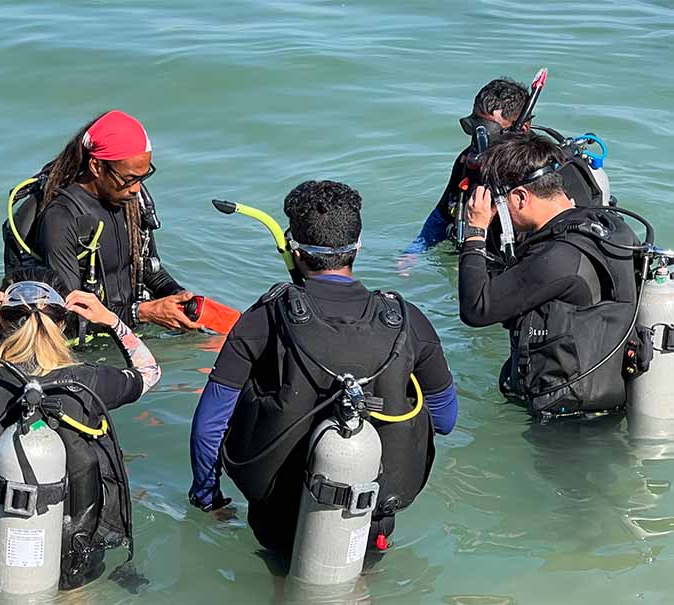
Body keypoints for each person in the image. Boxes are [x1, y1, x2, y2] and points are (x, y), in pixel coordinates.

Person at [188, 180, 458, 558]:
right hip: (370, 518)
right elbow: (445, 420)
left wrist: (207, 497)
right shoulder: (408, 321)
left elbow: (209, 426)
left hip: (277, 515)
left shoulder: (263, 319)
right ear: (358, 246)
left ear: (294, 251)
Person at [0, 266, 160, 589]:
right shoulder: (90, 381)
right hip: (75, 546)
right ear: (64, 323)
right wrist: (111, 320)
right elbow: (148, 371)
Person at [458, 133, 638, 418]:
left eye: (500, 204)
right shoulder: (609, 228)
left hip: (567, 418)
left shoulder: (556, 258)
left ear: (519, 197)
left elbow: (476, 309)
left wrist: (475, 232)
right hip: (605, 399)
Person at [10, 109, 203, 331]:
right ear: (96, 166)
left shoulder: (129, 198)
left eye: (142, 177)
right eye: (129, 179)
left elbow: (148, 268)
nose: (136, 189)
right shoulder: (62, 219)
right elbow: (68, 316)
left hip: (130, 328)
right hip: (86, 348)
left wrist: (177, 297)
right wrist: (143, 313)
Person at [403, 77, 610, 256]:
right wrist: (416, 250)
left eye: (488, 134)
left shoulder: (549, 173)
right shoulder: (468, 162)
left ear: (522, 129)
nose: (478, 144)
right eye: (475, 130)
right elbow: (442, 213)